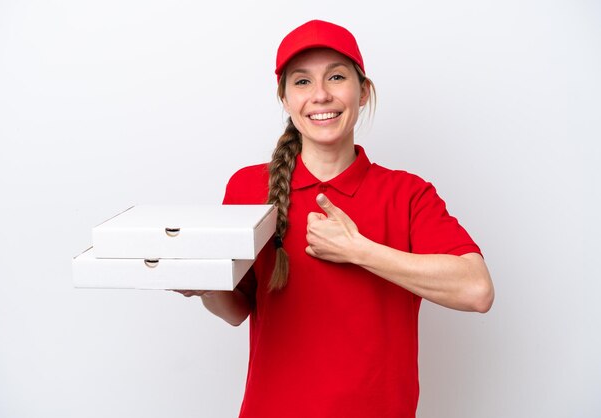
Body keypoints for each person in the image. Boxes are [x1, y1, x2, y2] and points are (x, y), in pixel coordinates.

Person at [177, 19, 494, 418]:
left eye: (337, 77)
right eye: (303, 82)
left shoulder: (408, 194)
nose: (321, 95)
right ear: (285, 99)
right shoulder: (247, 188)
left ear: (363, 93)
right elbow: (237, 310)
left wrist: (359, 250)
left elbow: (477, 291)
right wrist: (202, 285)